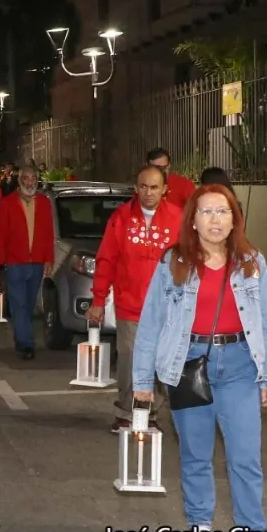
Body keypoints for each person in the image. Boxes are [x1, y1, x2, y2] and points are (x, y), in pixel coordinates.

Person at [132, 184, 267, 532]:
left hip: (240, 366)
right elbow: (151, 324)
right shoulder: (174, 262)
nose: (215, 220)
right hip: (188, 363)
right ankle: (200, 526)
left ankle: (251, 531)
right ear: (193, 221)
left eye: (223, 212)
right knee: (196, 454)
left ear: (235, 219)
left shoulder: (252, 262)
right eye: (207, 212)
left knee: (245, 455)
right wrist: (142, 381)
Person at [88, 165, 183, 432]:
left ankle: (150, 414)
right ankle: (126, 414)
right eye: (143, 186)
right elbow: (106, 259)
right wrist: (98, 299)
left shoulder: (178, 219)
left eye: (154, 187)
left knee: (162, 362)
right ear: (135, 188)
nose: (148, 192)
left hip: (167, 309)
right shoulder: (121, 218)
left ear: (165, 189)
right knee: (130, 359)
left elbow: (191, 262)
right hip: (130, 305)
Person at [0, 166, 54, 360]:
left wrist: (49, 259)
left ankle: (21, 338)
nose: (30, 182)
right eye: (26, 178)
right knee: (19, 305)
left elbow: (48, 234)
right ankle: (26, 344)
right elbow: (1, 237)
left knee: (29, 303)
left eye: (33, 178)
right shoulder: (8, 204)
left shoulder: (44, 203)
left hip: (36, 263)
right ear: (19, 181)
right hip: (15, 263)